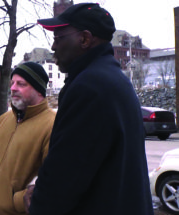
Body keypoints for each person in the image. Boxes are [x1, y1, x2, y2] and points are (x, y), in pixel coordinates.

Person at [27, 3, 153, 214]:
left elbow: (66, 172)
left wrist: (39, 203)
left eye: (58, 38)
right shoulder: (113, 79)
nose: (53, 47)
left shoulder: (89, 87)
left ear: (84, 39)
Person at [0, 62, 56, 214]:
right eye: (12, 83)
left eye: (21, 84)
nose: (13, 88)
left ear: (39, 90)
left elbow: (53, 180)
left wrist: (18, 201)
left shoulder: (53, 125)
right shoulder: (4, 120)